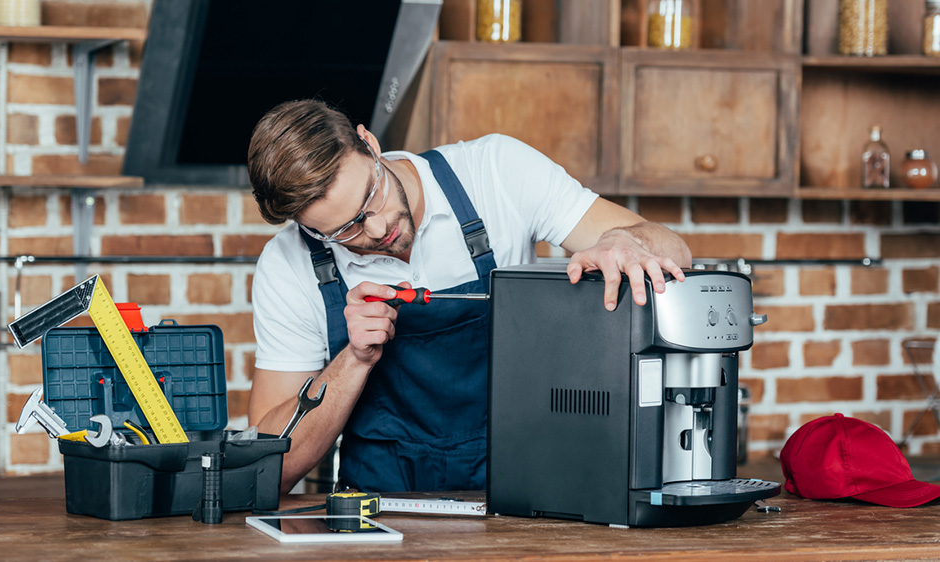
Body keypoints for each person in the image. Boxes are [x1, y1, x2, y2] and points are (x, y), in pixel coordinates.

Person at [246, 99, 691, 494]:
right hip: (382, 515)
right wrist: (352, 361)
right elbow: (270, 469)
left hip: (522, 496)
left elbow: (674, 250)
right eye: (346, 230)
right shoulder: (289, 265)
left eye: (371, 196)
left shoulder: (495, 172)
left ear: (370, 144)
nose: (378, 230)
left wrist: (622, 241)